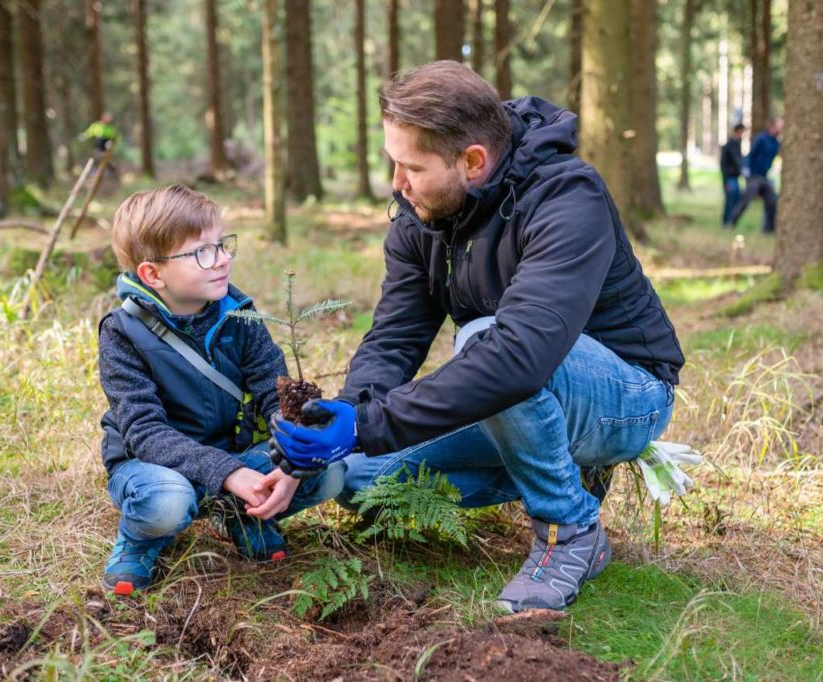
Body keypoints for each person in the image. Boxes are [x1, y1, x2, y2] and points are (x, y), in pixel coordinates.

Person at [269, 61, 684, 612]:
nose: (397, 183)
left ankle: (570, 530)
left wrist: (371, 423)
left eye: (411, 167)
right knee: (360, 479)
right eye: (393, 163)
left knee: (486, 339)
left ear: (472, 161)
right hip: (520, 392)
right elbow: (395, 337)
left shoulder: (566, 198)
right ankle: (562, 469)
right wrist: (347, 414)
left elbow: (518, 357)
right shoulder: (421, 215)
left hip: (628, 396)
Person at [98, 185, 345, 595]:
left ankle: (242, 513)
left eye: (222, 244)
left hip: (233, 458)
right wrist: (228, 472)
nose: (223, 259)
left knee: (328, 471)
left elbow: (273, 391)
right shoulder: (122, 332)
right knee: (167, 503)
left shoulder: (239, 313)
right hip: (154, 467)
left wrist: (295, 445)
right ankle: (140, 540)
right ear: (153, 274)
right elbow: (144, 432)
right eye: (202, 252)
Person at [726, 117, 783, 234]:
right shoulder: (761, 138)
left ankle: (768, 229)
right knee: (745, 200)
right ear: (772, 126)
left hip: (764, 176)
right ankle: (731, 222)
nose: (781, 128)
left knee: (772, 201)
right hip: (753, 175)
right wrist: (746, 169)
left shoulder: (777, 142)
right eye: (780, 125)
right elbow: (751, 154)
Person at [720, 124, 746, 227]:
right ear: (737, 132)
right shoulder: (728, 145)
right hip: (729, 178)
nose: (742, 135)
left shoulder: (737, 144)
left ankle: (731, 221)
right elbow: (723, 165)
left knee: (736, 199)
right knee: (729, 199)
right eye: (741, 133)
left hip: (735, 177)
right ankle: (726, 221)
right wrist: (725, 181)